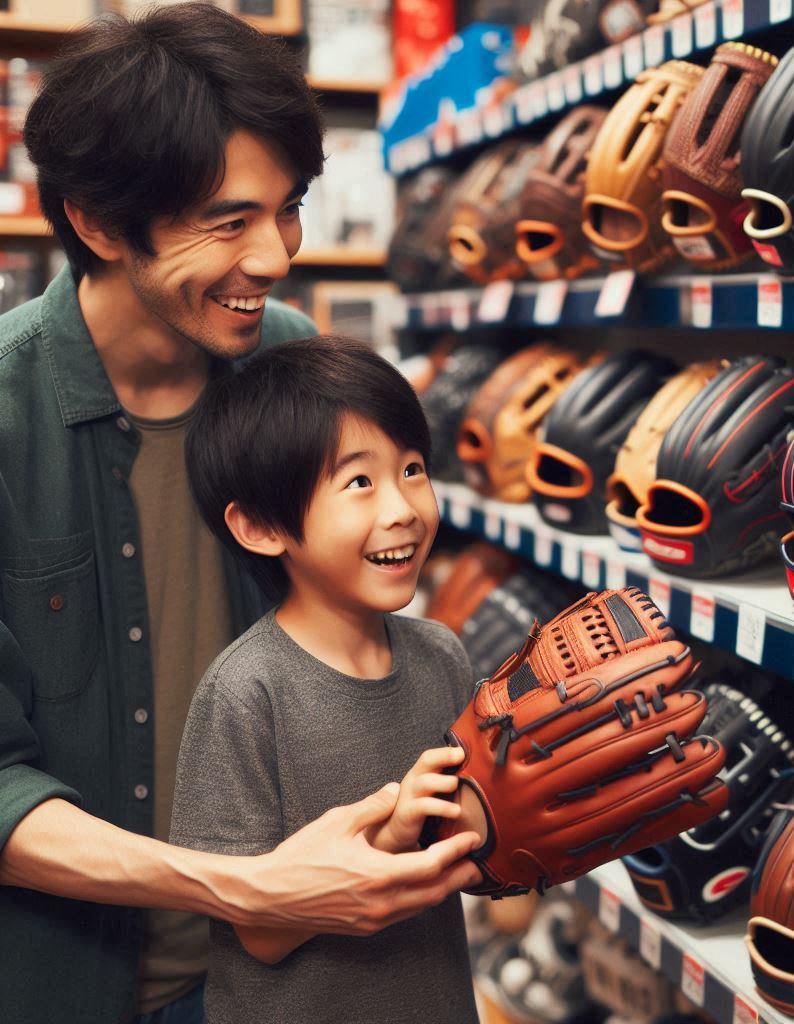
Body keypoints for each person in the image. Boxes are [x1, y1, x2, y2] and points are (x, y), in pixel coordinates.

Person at [0, 6, 480, 1024]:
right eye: (228, 221)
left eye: (288, 207)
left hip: (299, 979)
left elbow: (361, 647)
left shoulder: (295, 372)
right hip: (72, 984)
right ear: (93, 219)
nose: (273, 255)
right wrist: (249, 884)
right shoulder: (5, 418)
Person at [171, 335, 481, 1023]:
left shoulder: (442, 655)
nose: (401, 507)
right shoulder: (247, 692)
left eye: (412, 469)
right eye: (360, 482)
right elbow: (257, 926)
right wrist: (391, 835)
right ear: (258, 525)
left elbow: (475, 851)